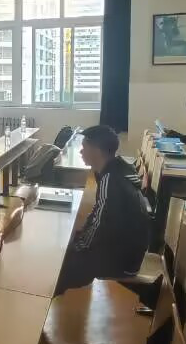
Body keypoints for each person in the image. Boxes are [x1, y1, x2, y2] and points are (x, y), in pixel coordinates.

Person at [54, 125, 150, 296]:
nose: (81, 152)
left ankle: (64, 304)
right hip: (127, 252)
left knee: (60, 266)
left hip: (121, 261)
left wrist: (79, 246)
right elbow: (99, 211)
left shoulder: (110, 179)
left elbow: (101, 223)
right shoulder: (117, 169)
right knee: (68, 249)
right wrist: (80, 236)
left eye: (84, 147)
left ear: (97, 151)